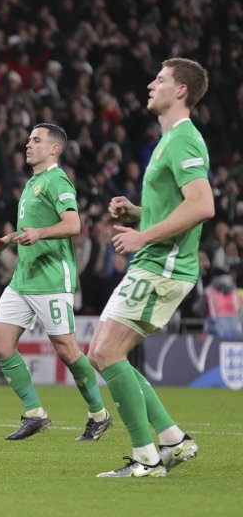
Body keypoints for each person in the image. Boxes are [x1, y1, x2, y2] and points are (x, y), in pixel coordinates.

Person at [88, 58, 214, 478]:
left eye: (160, 80)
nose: (150, 84)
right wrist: (140, 212)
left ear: (181, 91)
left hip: (163, 264)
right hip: (157, 261)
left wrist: (143, 236)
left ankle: (147, 458)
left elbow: (201, 205)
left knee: (104, 353)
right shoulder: (168, 141)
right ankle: (173, 440)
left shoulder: (183, 140)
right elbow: (176, 206)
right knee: (110, 354)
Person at [0, 123, 112, 441]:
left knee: (67, 351)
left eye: (36, 140)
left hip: (52, 278)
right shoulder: (33, 183)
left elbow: (73, 224)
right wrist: (8, 240)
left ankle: (99, 415)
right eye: (29, 138)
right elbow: (33, 230)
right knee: (0, 346)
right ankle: (35, 414)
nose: (28, 144)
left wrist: (40, 233)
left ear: (54, 148)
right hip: (22, 278)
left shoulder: (57, 181)